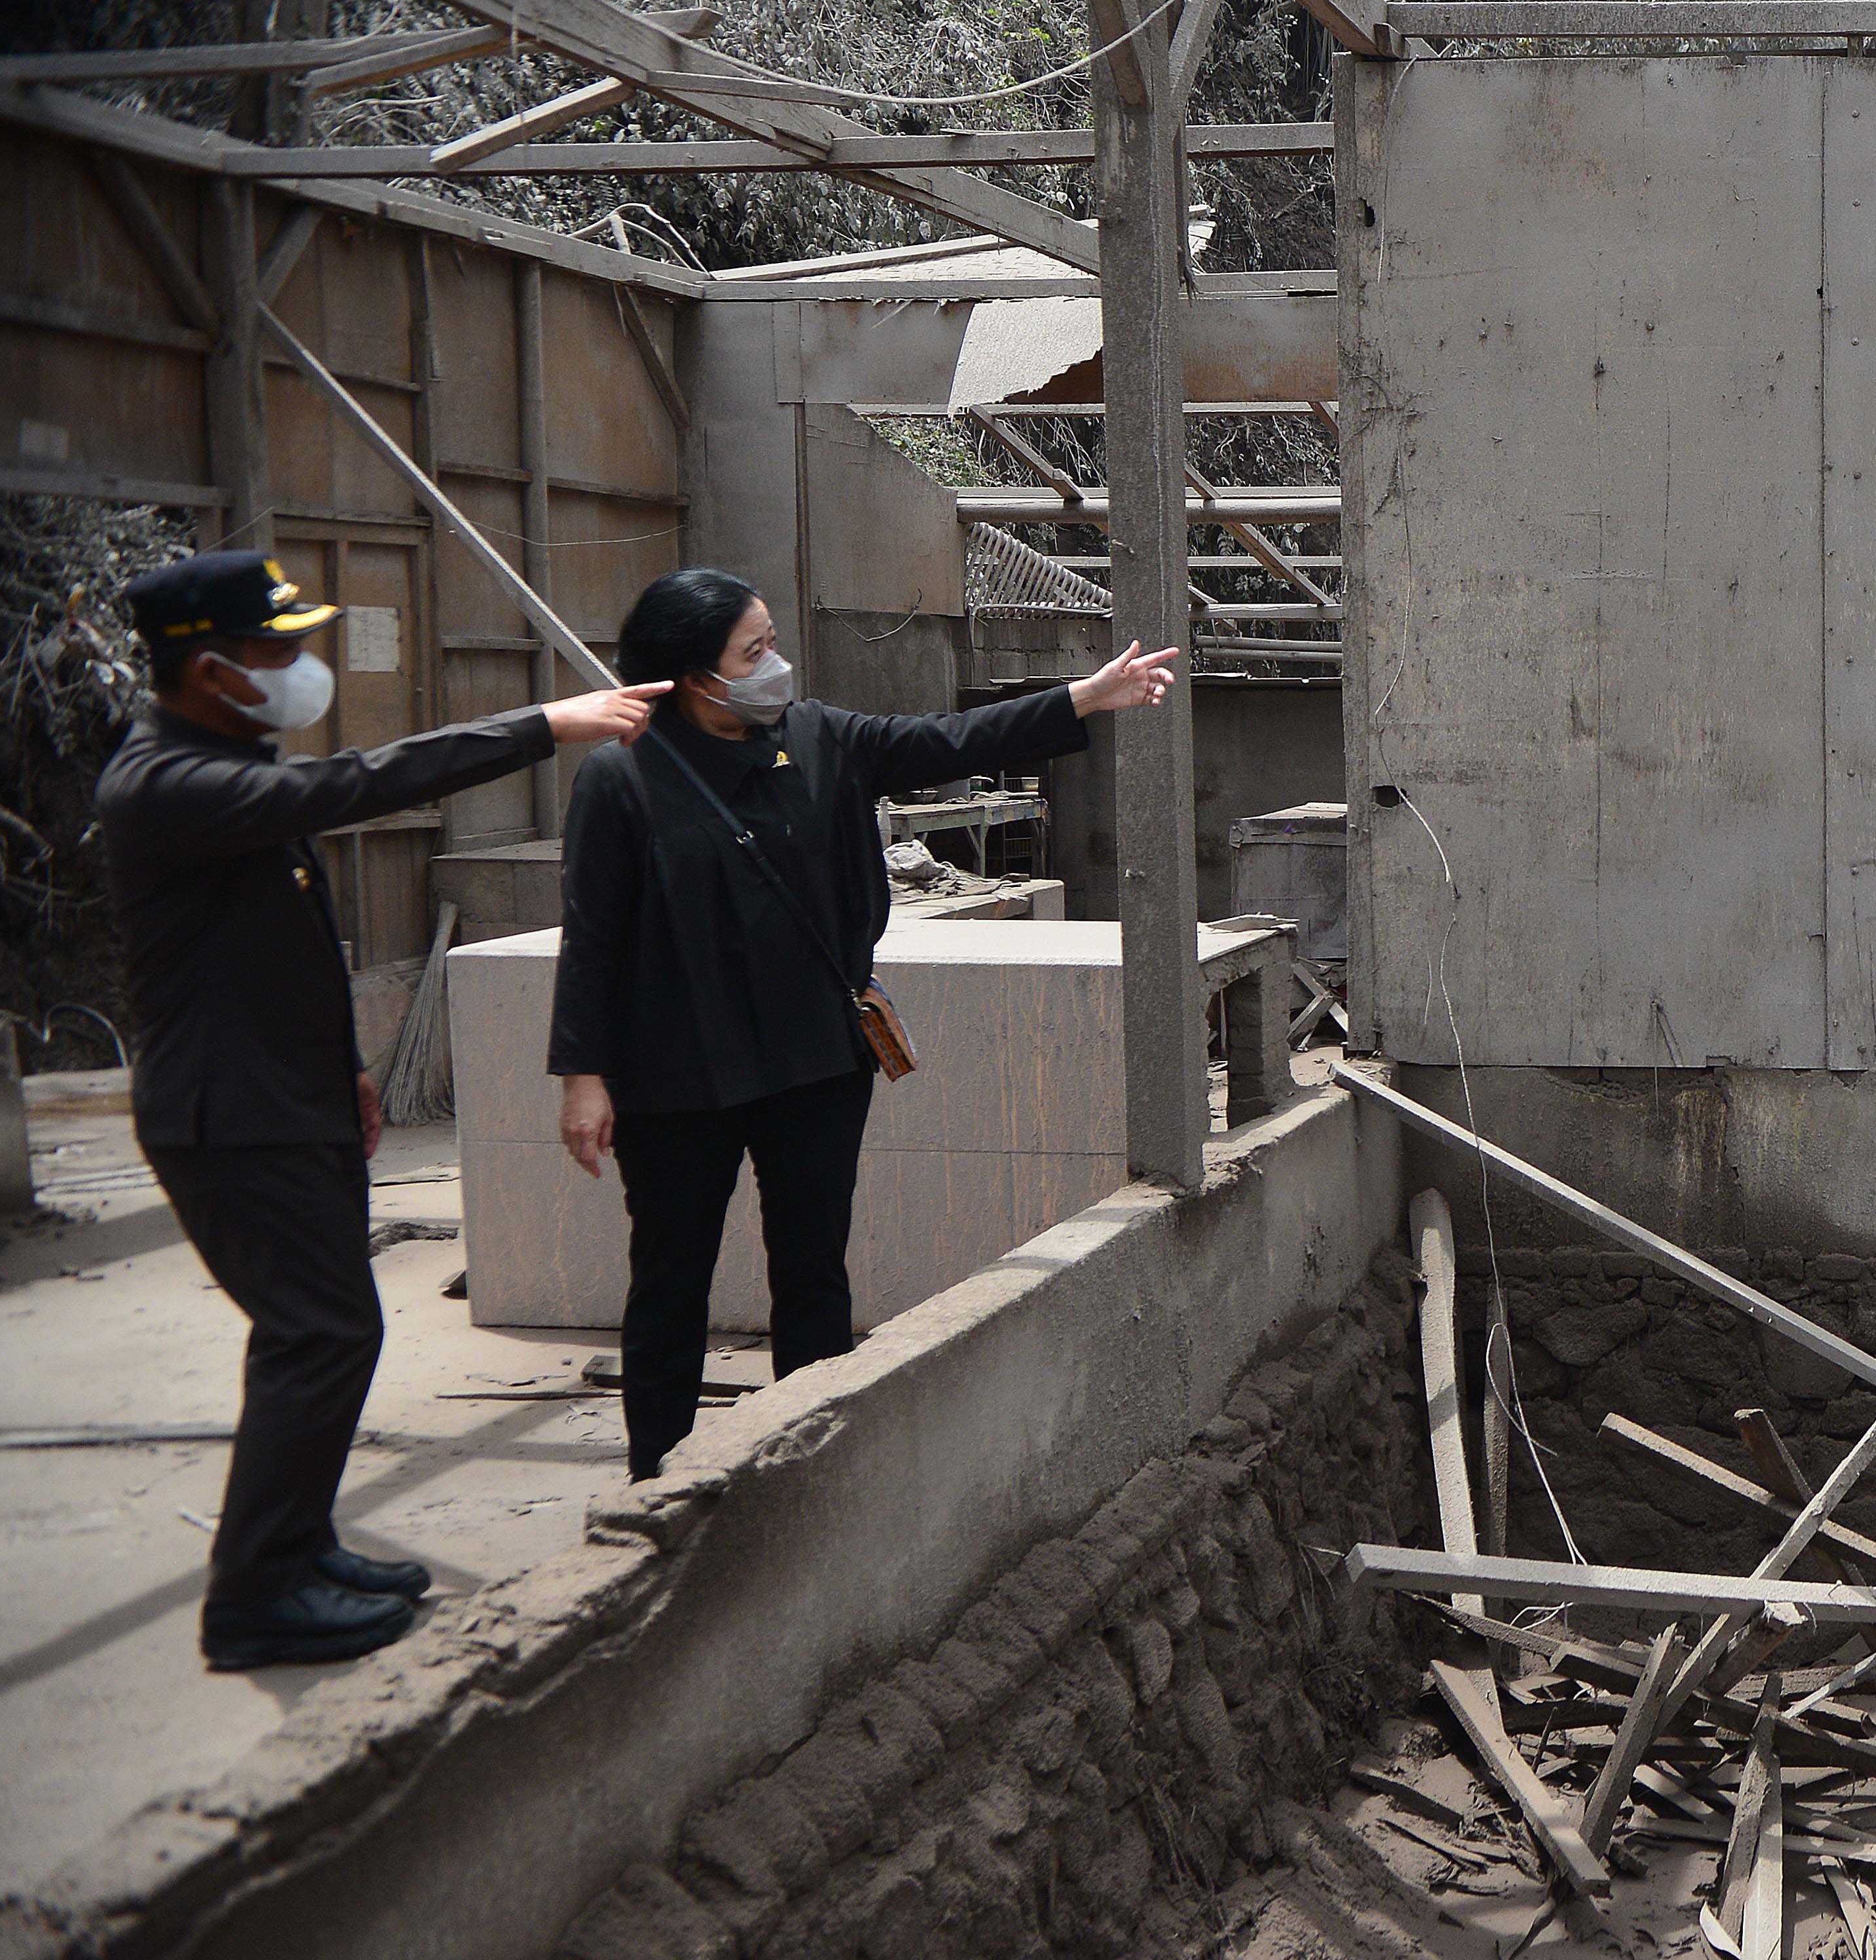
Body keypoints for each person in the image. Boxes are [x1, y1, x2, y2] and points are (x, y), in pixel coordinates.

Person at [96, 549, 670, 1671]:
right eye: (277, 649)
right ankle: (256, 1596)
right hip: (231, 1118)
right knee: (321, 1334)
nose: (299, 664)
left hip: (285, 1097)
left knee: (327, 1332)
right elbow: (354, 785)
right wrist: (539, 726)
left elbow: (280, 944)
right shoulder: (167, 782)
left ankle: (300, 1548)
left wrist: (347, 1067)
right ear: (211, 669)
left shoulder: (223, 754)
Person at [552, 569, 1175, 1479]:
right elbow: (593, 931)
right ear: (696, 675)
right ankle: (658, 1484)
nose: (778, 664)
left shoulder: (820, 738)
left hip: (814, 1061)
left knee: (811, 1273)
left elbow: (949, 740)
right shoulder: (622, 777)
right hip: (678, 1074)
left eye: (772, 641)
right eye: (755, 651)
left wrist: (1085, 698)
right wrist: (583, 1074)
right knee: (669, 1282)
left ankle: (812, 1466)